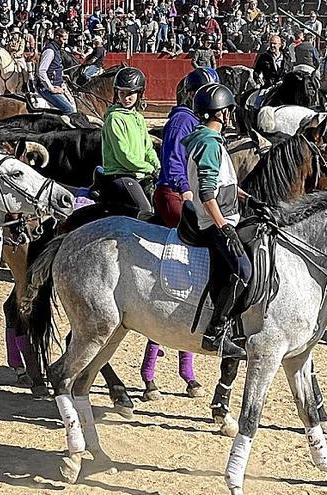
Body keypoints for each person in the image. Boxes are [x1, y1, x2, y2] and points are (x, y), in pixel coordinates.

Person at [140, 68, 218, 400]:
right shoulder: (182, 121)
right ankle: (156, 369)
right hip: (173, 195)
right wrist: (188, 195)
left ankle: (185, 369)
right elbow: (173, 164)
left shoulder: (200, 125)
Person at [182, 82, 256, 355]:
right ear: (222, 114)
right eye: (228, 110)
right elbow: (206, 193)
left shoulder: (208, 141)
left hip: (225, 216)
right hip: (215, 222)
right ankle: (215, 331)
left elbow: (222, 179)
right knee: (244, 271)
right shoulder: (210, 144)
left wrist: (247, 197)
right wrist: (223, 227)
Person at [96, 67, 160, 216]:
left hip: (139, 174)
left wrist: (158, 166)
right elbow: (123, 156)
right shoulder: (114, 119)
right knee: (145, 210)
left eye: (130, 93)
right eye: (122, 93)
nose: (126, 98)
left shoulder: (139, 118)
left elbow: (148, 149)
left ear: (139, 93)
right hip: (120, 175)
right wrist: (150, 169)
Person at [36, 28, 74, 114]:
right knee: (69, 110)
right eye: (64, 39)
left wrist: (62, 75)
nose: (66, 42)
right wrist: (51, 88)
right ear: (57, 37)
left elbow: (54, 68)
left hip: (57, 84)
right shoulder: (50, 51)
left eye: (66, 39)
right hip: (46, 88)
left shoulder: (57, 49)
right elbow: (41, 71)